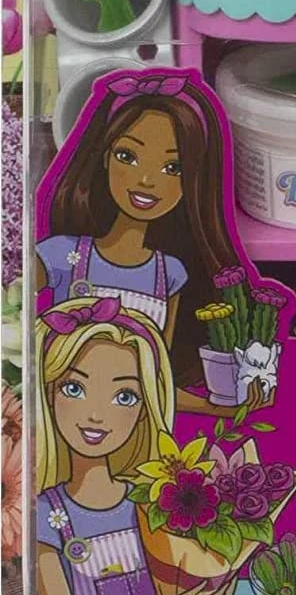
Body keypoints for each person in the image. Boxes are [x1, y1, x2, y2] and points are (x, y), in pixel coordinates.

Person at [36, 71, 246, 404]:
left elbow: (157, 382)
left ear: (193, 181)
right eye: (127, 156)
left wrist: (228, 408)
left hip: (133, 422)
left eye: (173, 168)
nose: (147, 180)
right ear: (104, 156)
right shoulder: (61, 256)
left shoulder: (170, 274)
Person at [35, 297, 226, 595]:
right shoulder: (47, 514)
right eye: (74, 388)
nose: (96, 415)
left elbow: (210, 578)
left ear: (143, 410)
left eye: (124, 396)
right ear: (49, 394)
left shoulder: (152, 497)